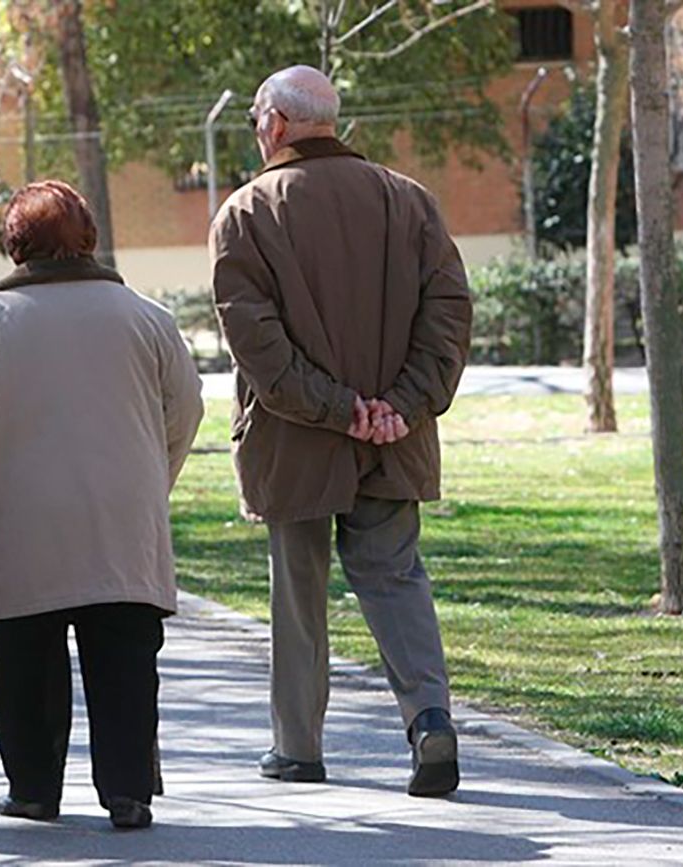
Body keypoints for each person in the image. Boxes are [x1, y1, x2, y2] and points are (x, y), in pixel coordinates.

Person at [210, 66, 472, 797]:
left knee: (298, 591)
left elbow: (256, 344)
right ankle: (429, 717)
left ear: (275, 123)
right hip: (395, 435)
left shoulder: (246, 212)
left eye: (258, 119)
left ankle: (298, 746)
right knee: (395, 577)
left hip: (297, 439)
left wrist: (337, 407)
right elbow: (449, 315)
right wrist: (400, 404)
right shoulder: (408, 200)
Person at [0, 181, 204, 829]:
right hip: (123, 517)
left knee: (25, 662)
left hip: (25, 517)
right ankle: (128, 789)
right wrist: (151, 477)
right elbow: (187, 408)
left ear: (16, 245)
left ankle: (33, 785)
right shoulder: (147, 316)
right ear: (88, 238)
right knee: (126, 662)